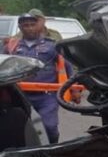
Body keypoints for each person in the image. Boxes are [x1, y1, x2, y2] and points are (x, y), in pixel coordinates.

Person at [2, 13, 73, 143]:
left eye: (32, 25)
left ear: (38, 26)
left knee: (49, 127)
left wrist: (74, 89)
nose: (29, 28)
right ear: (20, 27)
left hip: (46, 96)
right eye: (25, 25)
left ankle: (52, 152)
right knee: (21, 127)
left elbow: (68, 67)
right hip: (20, 95)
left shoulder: (52, 45)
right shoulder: (12, 46)